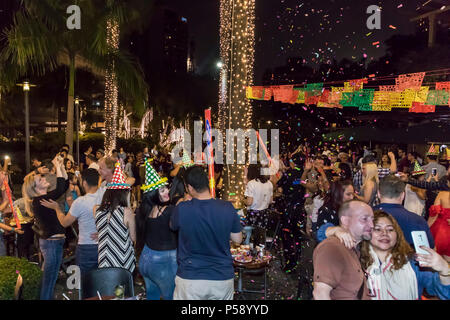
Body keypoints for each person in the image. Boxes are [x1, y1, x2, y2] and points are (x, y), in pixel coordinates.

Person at [170, 166, 242, 300]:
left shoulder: (182, 208)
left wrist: (184, 201)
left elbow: (172, 226)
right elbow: (238, 239)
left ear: (189, 188)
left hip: (190, 278)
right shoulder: (227, 207)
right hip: (221, 277)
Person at [360, 211, 450, 299]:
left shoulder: (413, 263)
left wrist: (444, 270)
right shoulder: (357, 262)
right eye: (377, 229)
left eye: (390, 229)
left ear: (397, 235)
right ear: (367, 233)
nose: (384, 233)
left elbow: (445, 294)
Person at [22, 155, 69, 300]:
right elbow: (61, 187)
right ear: (34, 188)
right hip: (51, 243)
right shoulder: (40, 200)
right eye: (40, 180)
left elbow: (64, 185)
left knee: (50, 278)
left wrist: (60, 166)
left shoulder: (43, 199)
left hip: (54, 242)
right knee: (49, 280)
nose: (44, 179)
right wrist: (57, 165)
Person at [40, 169, 100, 276]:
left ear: (84, 183)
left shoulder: (80, 202)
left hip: (86, 246)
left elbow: (64, 222)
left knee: (86, 281)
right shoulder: (105, 196)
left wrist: (57, 208)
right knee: (102, 279)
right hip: (103, 244)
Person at [312, 200, 373, 300]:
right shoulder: (332, 247)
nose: (371, 225)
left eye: (372, 219)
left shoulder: (354, 247)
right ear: (345, 221)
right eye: (364, 219)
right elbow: (320, 294)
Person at [137, 160, 177, 300]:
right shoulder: (170, 210)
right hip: (162, 263)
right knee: (170, 296)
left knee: (152, 296)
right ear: (154, 194)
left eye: (166, 188)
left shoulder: (144, 210)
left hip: (145, 260)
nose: (167, 191)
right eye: (162, 190)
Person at [94, 162, 136, 272]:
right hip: (122, 261)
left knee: (106, 287)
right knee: (120, 289)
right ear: (122, 194)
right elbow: (133, 238)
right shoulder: (127, 212)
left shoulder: (96, 210)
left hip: (104, 260)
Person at [243, 164, 273, 245]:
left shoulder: (251, 183)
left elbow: (249, 202)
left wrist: (243, 200)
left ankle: (249, 251)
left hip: (253, 214)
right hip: (264, 214)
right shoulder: (269, 184)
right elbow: (270, 201)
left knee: (250, 235)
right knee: (260, 235)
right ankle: (260, 251)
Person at [428, 176, 450, 260]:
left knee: (437, 260)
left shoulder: (442, 194)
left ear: (448, 182)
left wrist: (426, 227)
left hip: (441, 232)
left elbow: (434, 215)